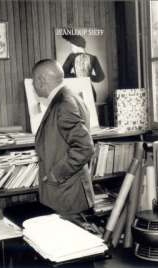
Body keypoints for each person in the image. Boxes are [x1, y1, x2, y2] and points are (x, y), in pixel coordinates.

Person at [32, 59, 95, 218]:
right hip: (68, 190)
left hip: (67, 193)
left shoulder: (63, 103)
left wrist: (55, 174)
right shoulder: (69, 97)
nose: (33, 85)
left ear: (41, 80)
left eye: (34, 80)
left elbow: (84, 147)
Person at [61, 34, 104, 102]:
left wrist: (76, 76)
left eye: (72, 45)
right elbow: (101, 77)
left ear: (77, 45)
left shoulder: (72, 57)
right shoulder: (93, 58)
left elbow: (63, 73)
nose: (71, 48)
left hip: (77, 90)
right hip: (90, 90)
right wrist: (87, 76)